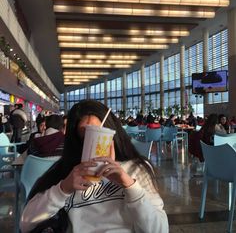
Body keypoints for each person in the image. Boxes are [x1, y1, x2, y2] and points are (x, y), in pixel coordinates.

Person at [20, 100, 168, 233]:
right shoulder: (68, 173)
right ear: (77, 138)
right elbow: (26, 224)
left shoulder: (136, 169)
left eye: (97, 130)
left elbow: (160, 229)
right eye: (85, 132)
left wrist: (129, 185)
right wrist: (63, 189)